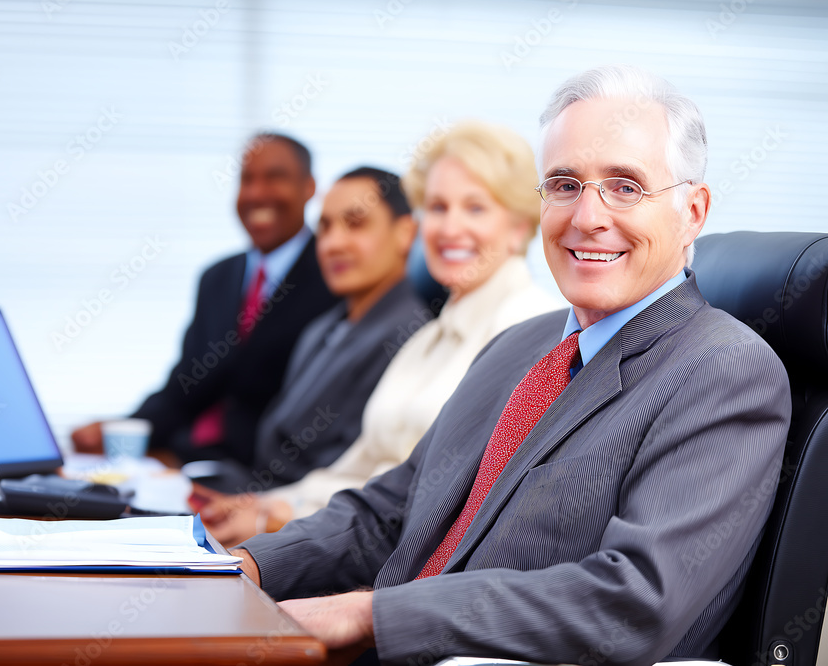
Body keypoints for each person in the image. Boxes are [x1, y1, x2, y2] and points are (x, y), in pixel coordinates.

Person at [231, 65, 792, 665]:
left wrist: (370, 615)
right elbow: (392, 511)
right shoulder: (518, 346)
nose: (587, 217)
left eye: (626, 186)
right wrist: (244, 566)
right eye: (565, 184)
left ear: (693, 212)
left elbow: (633, 601)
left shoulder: (724, 371)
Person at [197, 122, 560, 546]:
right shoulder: (426, 341)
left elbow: (451, 503)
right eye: (438, 207)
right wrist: (266, 506)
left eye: (475, 208)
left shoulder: (532, 331)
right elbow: (358, 472)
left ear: (519, 225)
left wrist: (278, 520)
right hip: (360, 540)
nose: (449, 228)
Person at [71, 133, 339, 470]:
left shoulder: (334, 275)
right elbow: (186, 387)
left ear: (309, 187)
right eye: (247, 180)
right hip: (191, 463)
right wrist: (122, 430)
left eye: (275, 177)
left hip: (272, 475)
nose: (256, 193)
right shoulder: (218, 278)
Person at [192, 166, 428, 494]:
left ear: (405, 233)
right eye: (325, 227)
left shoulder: (412, 337)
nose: (333, 244)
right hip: (259, 496)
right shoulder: (322, 329)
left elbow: (351, 474)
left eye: (355, 223)